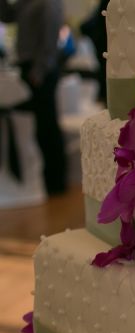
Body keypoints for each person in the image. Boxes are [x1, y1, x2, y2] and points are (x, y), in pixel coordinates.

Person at [0, 0, 67, 196]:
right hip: (29, 68)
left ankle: (56, 181)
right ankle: (45, 179)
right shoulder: (25, 2)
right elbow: (7, 16)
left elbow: (50, 41)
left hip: (40, 72)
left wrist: (38, 72)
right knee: (39, 125)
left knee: (47, 125)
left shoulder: (47, 3)